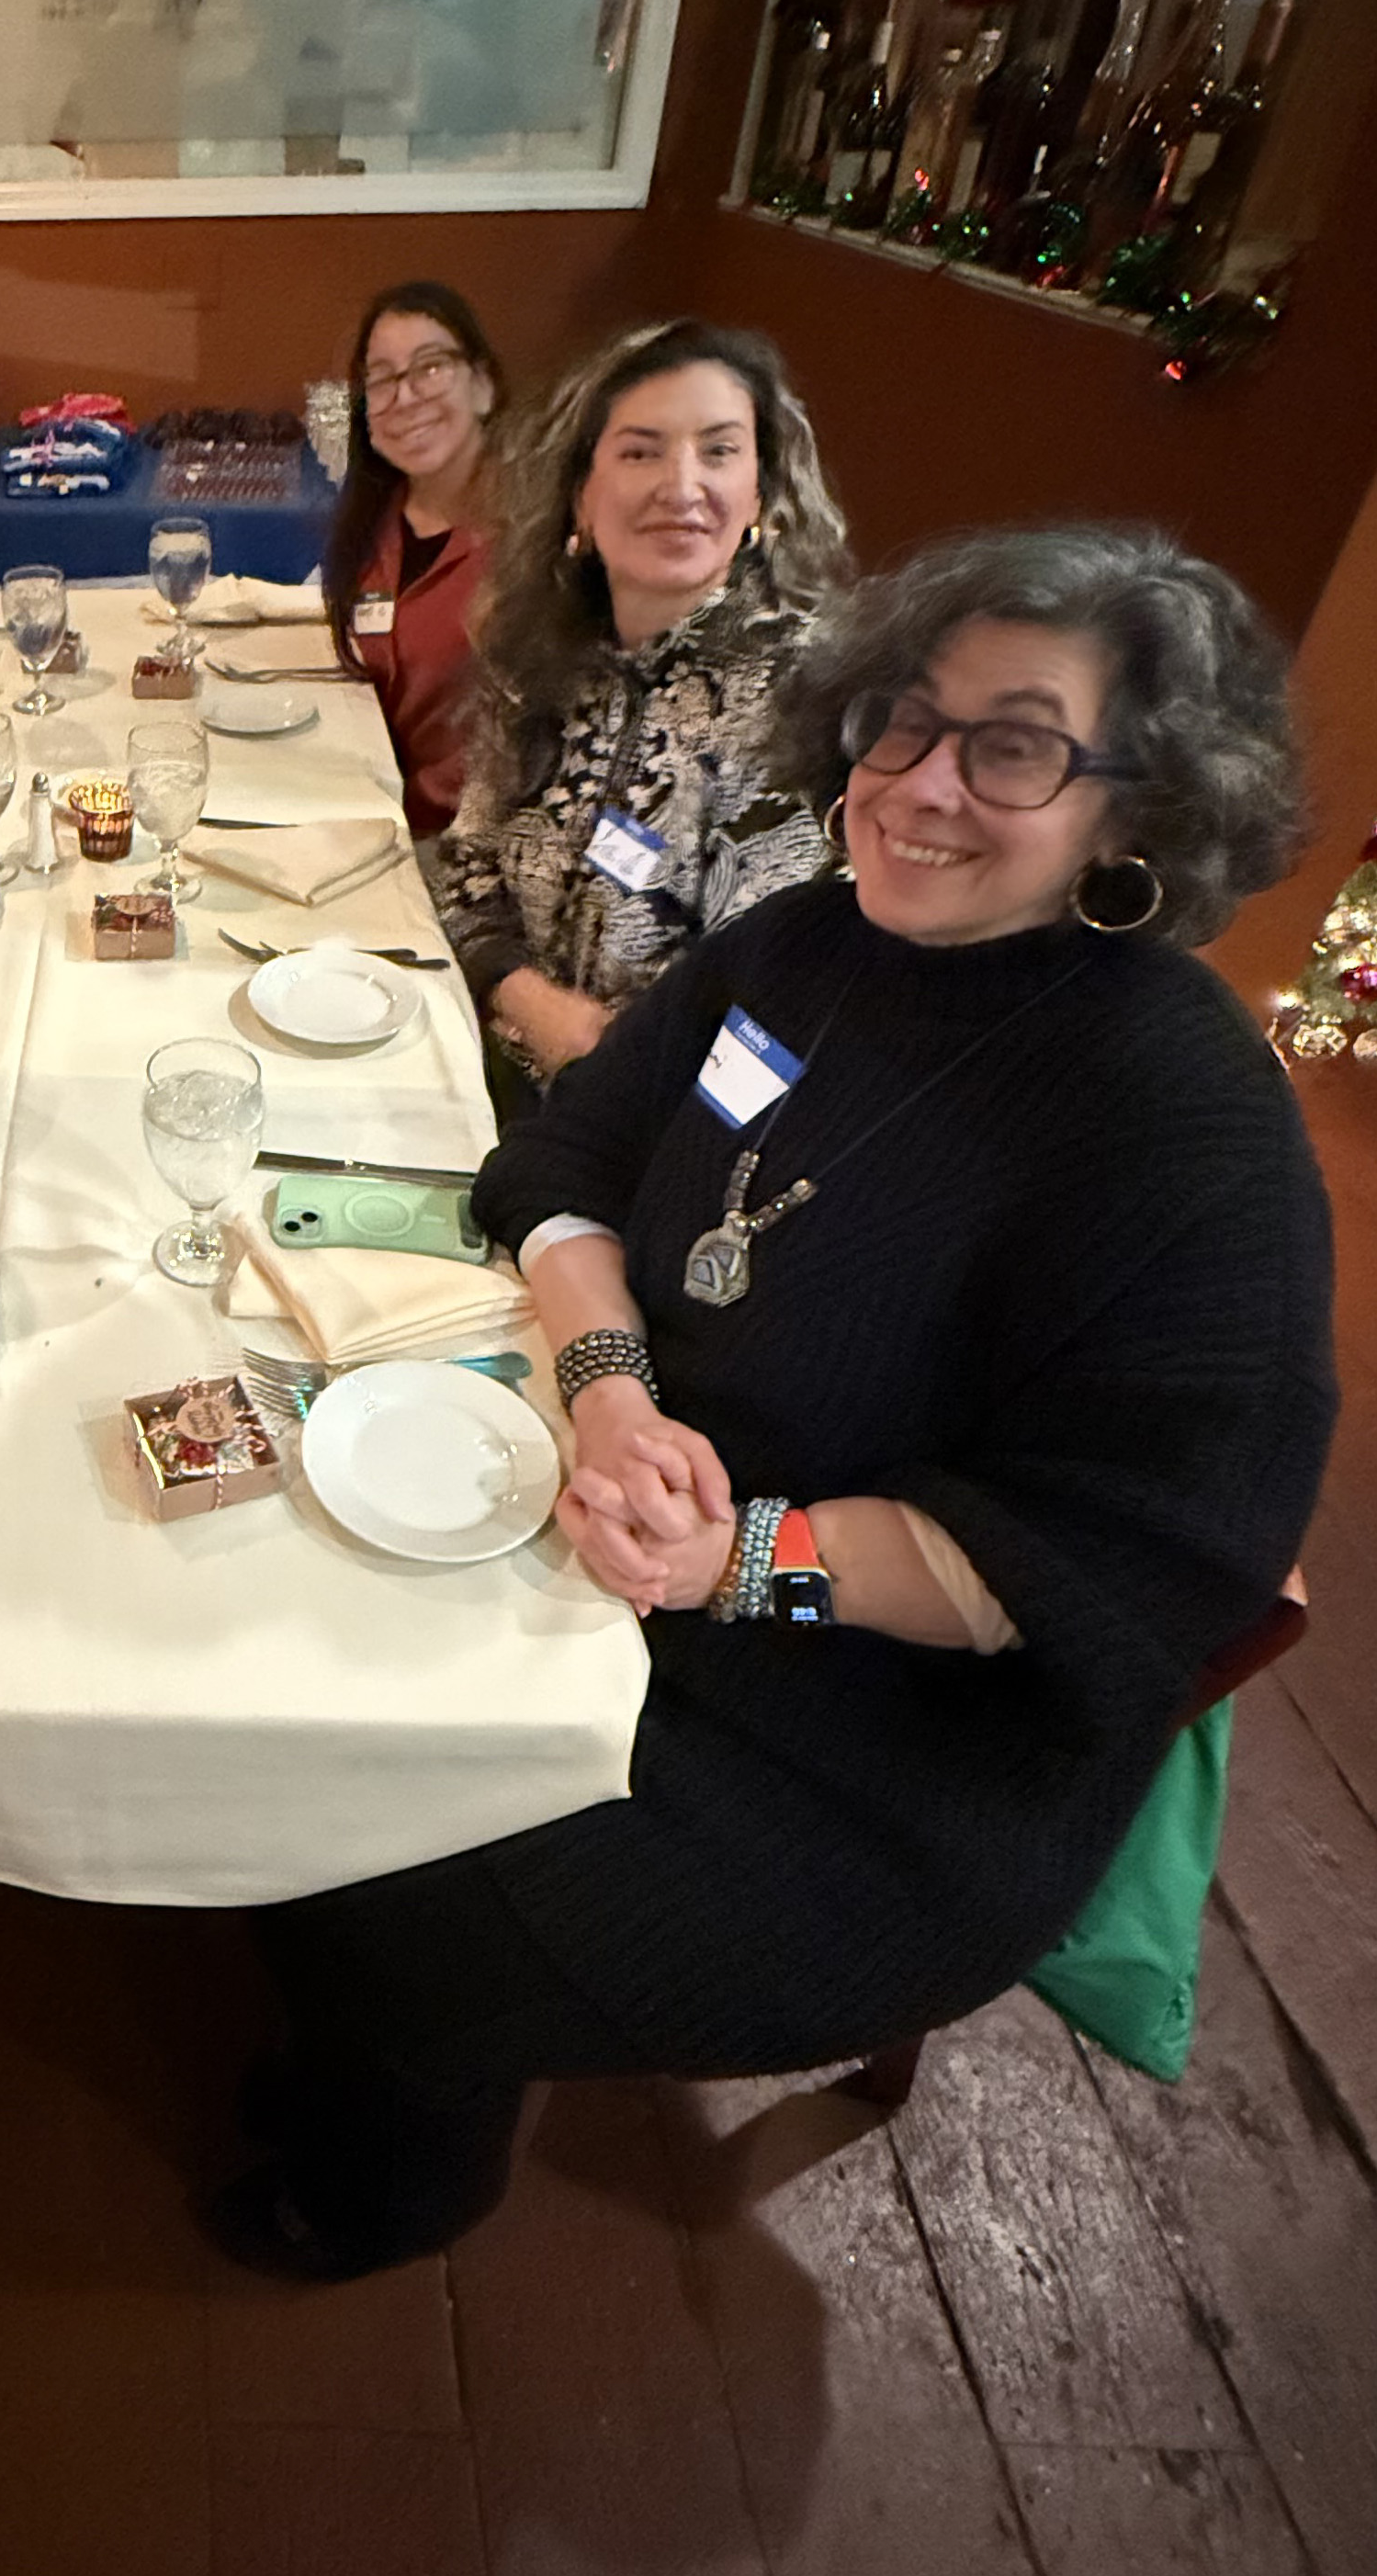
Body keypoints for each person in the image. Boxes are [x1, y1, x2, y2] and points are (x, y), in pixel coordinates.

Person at [217, 524, 1335, 2279]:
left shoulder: (1181, 1126)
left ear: (1143, 808)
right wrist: (602, 1388)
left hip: (873, 1754)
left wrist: (740, 1559)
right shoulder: (808, 943)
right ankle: (363, 2048)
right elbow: (568, 1158)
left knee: (379, 1863)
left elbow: (1114, 1567)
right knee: (281, 1682)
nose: (921, 785)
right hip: (621, 1539)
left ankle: (388, 2183)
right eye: (903, 717)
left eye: (1016, 744)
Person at [432, 320, 848, 1087]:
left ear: (760, 492)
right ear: (580, 499)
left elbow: (768, 1000)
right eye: (640, 450)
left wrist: (596, 1058)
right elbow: (468, 863)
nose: (682, 486)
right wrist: (524, 999)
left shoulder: (808, 698)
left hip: (661, 1133)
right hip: (488, 1061)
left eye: (719, 451)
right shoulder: (537, 654)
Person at [321, 282, 505, 838]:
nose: (405, 396)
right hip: (374, 806)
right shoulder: (378, 519)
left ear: (484, 386)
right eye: (381, 379)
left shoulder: (536, 539)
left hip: (464, 846)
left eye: (431, 368)